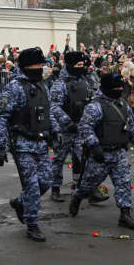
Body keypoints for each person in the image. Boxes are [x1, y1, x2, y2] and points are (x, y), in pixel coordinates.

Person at [0, 48, 61, 242]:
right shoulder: (15, 87)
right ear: (27, 66)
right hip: (22, 144)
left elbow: (47, 111)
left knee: (45, 181)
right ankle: (32, 223)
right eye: (38, 65)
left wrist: (55, 131)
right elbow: (1, 116)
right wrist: (0, 146)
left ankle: (20, 202)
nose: (41, 68)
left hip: (41, 143)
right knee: (31, 186)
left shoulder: (41, 85)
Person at [69, 73, 134, 229]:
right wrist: (94, 146)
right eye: (116, 87)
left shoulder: (123, 104)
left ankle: (125, 214)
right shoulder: (95, 106)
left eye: (121, 87)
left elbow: (131, 124)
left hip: (120, 152)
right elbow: (85, 127)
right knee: (89, 183)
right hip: (101, 153)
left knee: (124, 183)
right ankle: (78, 197)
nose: (120, 90)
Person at [49, 51, 107, 204]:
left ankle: (90, 190)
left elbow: (94, 98)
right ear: (70, 65)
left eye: (83, 65)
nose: (82, 67)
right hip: (65, 129)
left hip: (81, 128)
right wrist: (67, 122)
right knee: (59, 160)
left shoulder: (85, 81)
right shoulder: (60, 84)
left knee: (87, 159)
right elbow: (54, 107)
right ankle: (55, 188)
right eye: (78, 65)